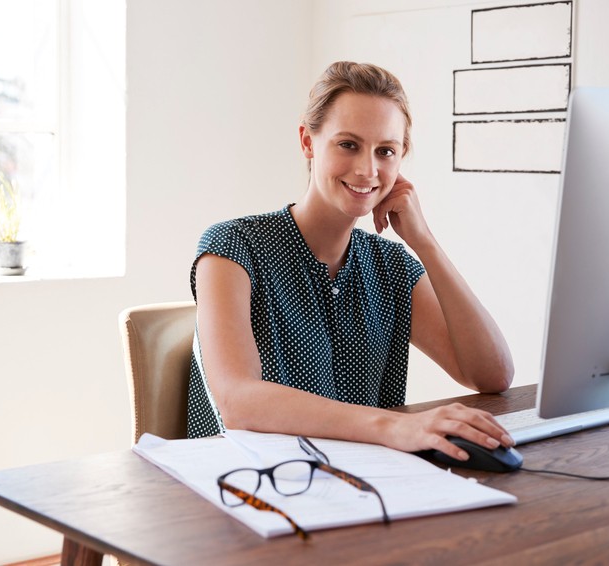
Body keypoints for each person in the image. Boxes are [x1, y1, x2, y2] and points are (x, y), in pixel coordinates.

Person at [188, 61, 515, 462]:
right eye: (348, 145)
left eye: (385, 151)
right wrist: (395, 426)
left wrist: (425, 242)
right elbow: (239, 402)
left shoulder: (392, 264)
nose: (367, 169)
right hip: (247, 485)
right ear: (308, 141)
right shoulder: (233, 246)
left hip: (360, 482)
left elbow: (492, 375)